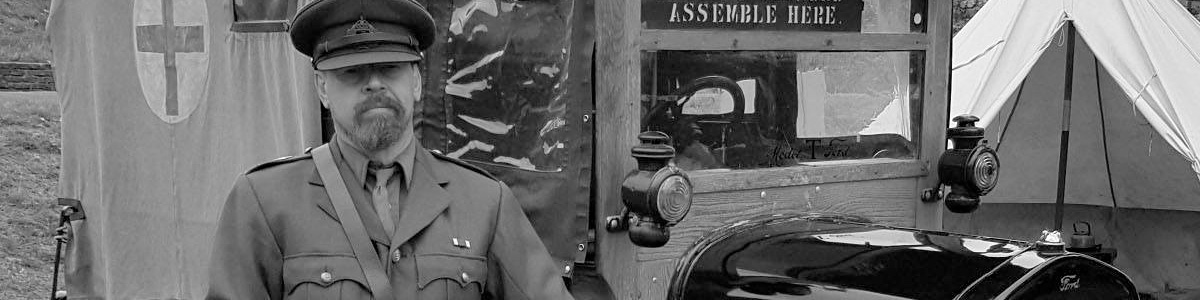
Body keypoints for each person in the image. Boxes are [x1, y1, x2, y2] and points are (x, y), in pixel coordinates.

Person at [205, 0, 575, 299]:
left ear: (415, 80)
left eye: (391, 68)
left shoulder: (483, 203)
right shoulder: (265, 203)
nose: (374, 84)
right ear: (321, 88)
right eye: (352, 72)